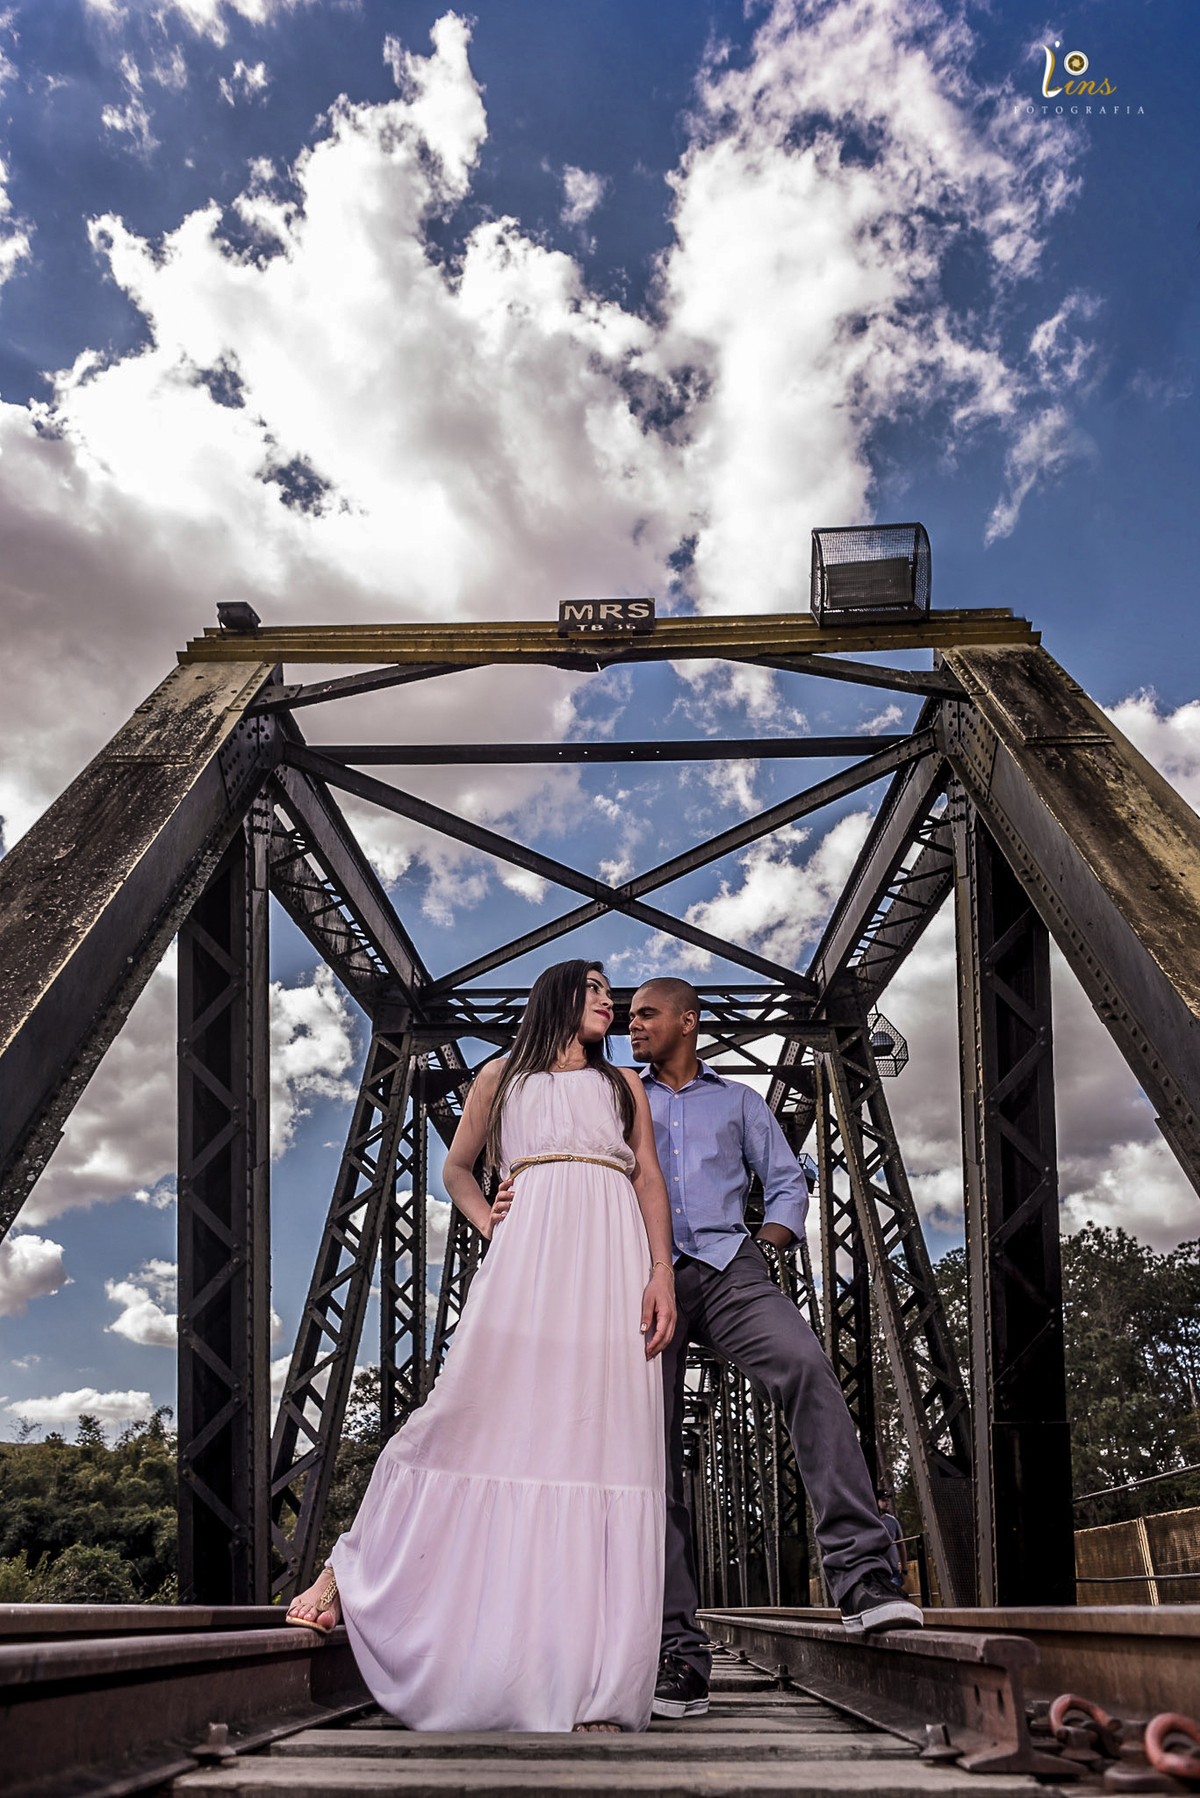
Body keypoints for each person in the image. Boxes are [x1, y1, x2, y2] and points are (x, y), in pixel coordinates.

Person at [285, 960, 677, 1734]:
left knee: (599, 1450)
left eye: (611, 993)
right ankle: (348, 1568)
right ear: (560, 996)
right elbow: (457, 1168)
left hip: (612, 1263)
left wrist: (661, 1271)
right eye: (596, 990)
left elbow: (649, 1184)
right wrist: (488, 1220)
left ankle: (595, 1686)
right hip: (527, 1259)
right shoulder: (501, 1074)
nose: (610, 1002)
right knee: (461, 1410)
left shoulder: (622, 1086)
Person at [628, 976, 923, 1723]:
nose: (631, 1025)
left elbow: (788, 1181)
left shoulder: (740, 1102)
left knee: (807, 1368)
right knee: (650, 1454)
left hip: (732, 1271)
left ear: (687, 1021)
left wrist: (771, 1238)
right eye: (627, 1016)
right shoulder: (616, 1094)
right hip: (641, 1282)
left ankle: (864, 1581)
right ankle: (677, 1652)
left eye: (645, 1014)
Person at [877, 1492, 909, 1592]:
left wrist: (904, 1570)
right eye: (883, 1500)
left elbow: (901, 1544)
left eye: (887, 1501)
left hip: (893, 1570)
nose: (886, 1503)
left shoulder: (893, 1521)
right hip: (876, 1571)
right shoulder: (870, 1520)